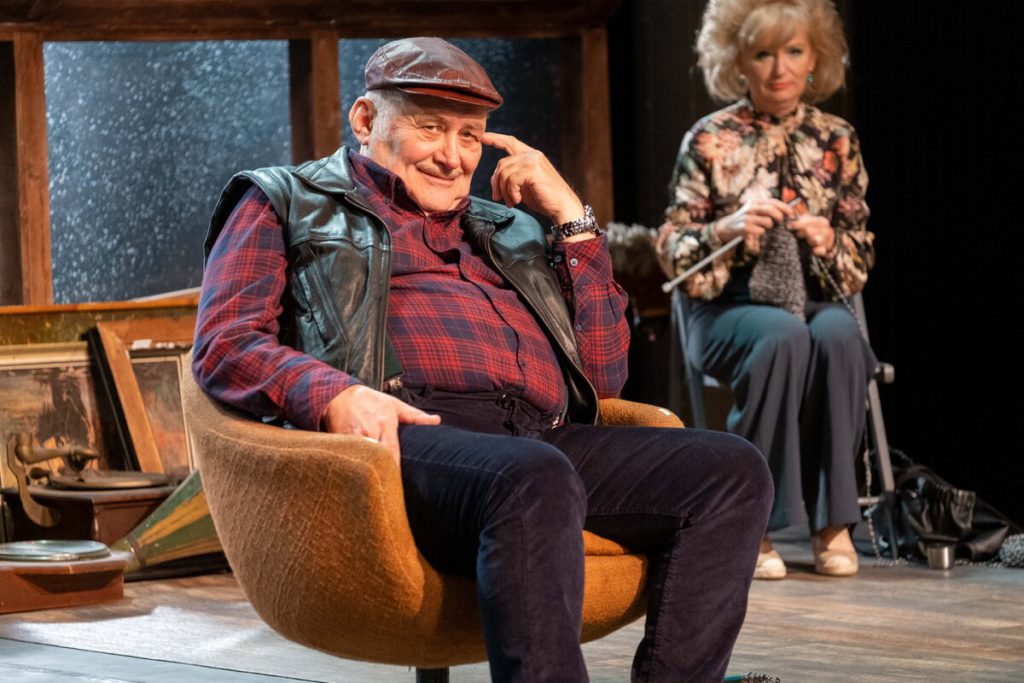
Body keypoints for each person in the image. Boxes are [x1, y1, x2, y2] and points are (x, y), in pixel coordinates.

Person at [194, 37, 772, 682]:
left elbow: (603, 376)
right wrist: (332, 393)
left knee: (731, 470)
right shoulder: (284, 200)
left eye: (469, 136)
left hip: (540, 439)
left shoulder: (510, 229)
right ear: (365, 119)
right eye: (430, 127)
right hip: (403, 437)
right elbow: (224, 342)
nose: (453, 156)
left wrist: (572, 221)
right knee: (530, 477)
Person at [656, 0, 875, 579]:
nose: (779, 69)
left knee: (839, 334)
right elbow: (673, 251)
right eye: (763, 54)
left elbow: (858, 260)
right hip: (723, 309)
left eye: (793, 51)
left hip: (814, 298)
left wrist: (829, 240)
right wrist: (726, 229)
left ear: (815, 59)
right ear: (738, 61)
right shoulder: (709, 138)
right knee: (781, 335)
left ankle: (834, 523)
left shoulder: (837, 139)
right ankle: (754, 522)